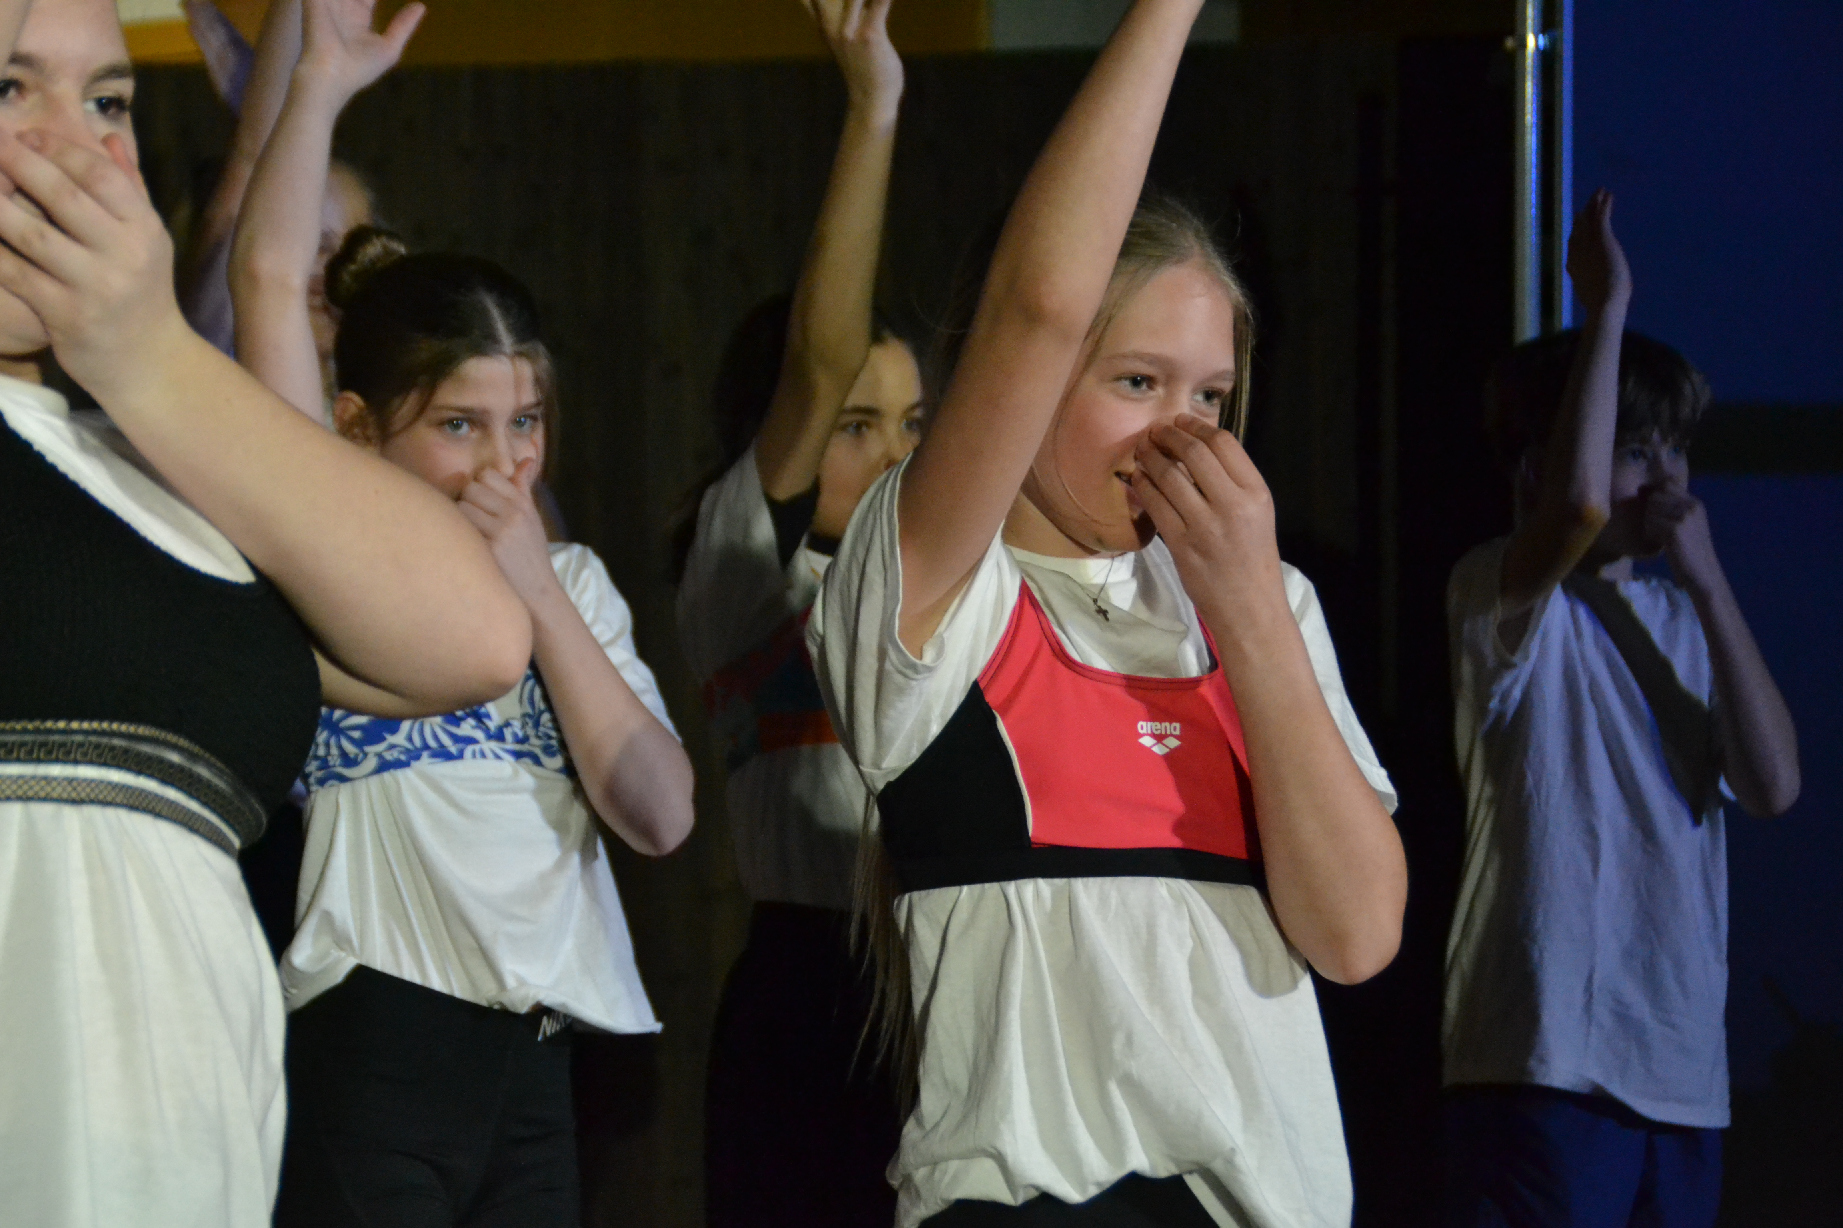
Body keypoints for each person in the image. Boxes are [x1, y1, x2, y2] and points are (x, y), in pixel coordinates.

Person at [807, 1, 1407, 1224]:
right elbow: (1037, 303)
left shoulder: (1267, 604)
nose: (1181, 433)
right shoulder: (940, 593)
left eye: (1211, 395)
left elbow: (1355, 936)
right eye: (1137, 380)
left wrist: (1249, 610)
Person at [0, 0, 534, 1224]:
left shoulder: (165, 462)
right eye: (9, 89)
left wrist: (143, 353)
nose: (77, 148)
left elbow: (474, 636)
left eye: (109, 101)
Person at [229, 3, 696, 1224]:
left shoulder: (573, 583)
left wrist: (535, 587)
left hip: (540, 1068)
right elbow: (266, 280)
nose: (503, 461)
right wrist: (316, 87)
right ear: (354, 428)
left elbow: (658, 814)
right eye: (458, 425)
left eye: (522, 423)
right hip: (374, 1050)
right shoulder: (327, 565)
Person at [1441, 192, 1800, 1228]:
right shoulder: (1498, 592)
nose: (1667, 479)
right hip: (1543, 1061)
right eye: (1639, 451)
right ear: (1536, 464)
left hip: (1678, 1073)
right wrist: (1605, 311)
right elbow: (1579, 506)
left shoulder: (1683, 616)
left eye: (1675, 452)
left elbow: (1773, 786)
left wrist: (1709, 582)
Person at [674, 1, 919, 1223]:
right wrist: (873, 105)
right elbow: (817, 366)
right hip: (806, 995)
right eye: (858, 428)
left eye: (914, 424)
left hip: (944, 981)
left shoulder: (955, 590)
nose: (895, 454)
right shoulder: (743, 569)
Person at [181, 0, 376, 401]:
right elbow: (258, 154)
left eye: (356, 248)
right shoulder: (220, 355)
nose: (337, 270)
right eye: (316, 244)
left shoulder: (378, 395)